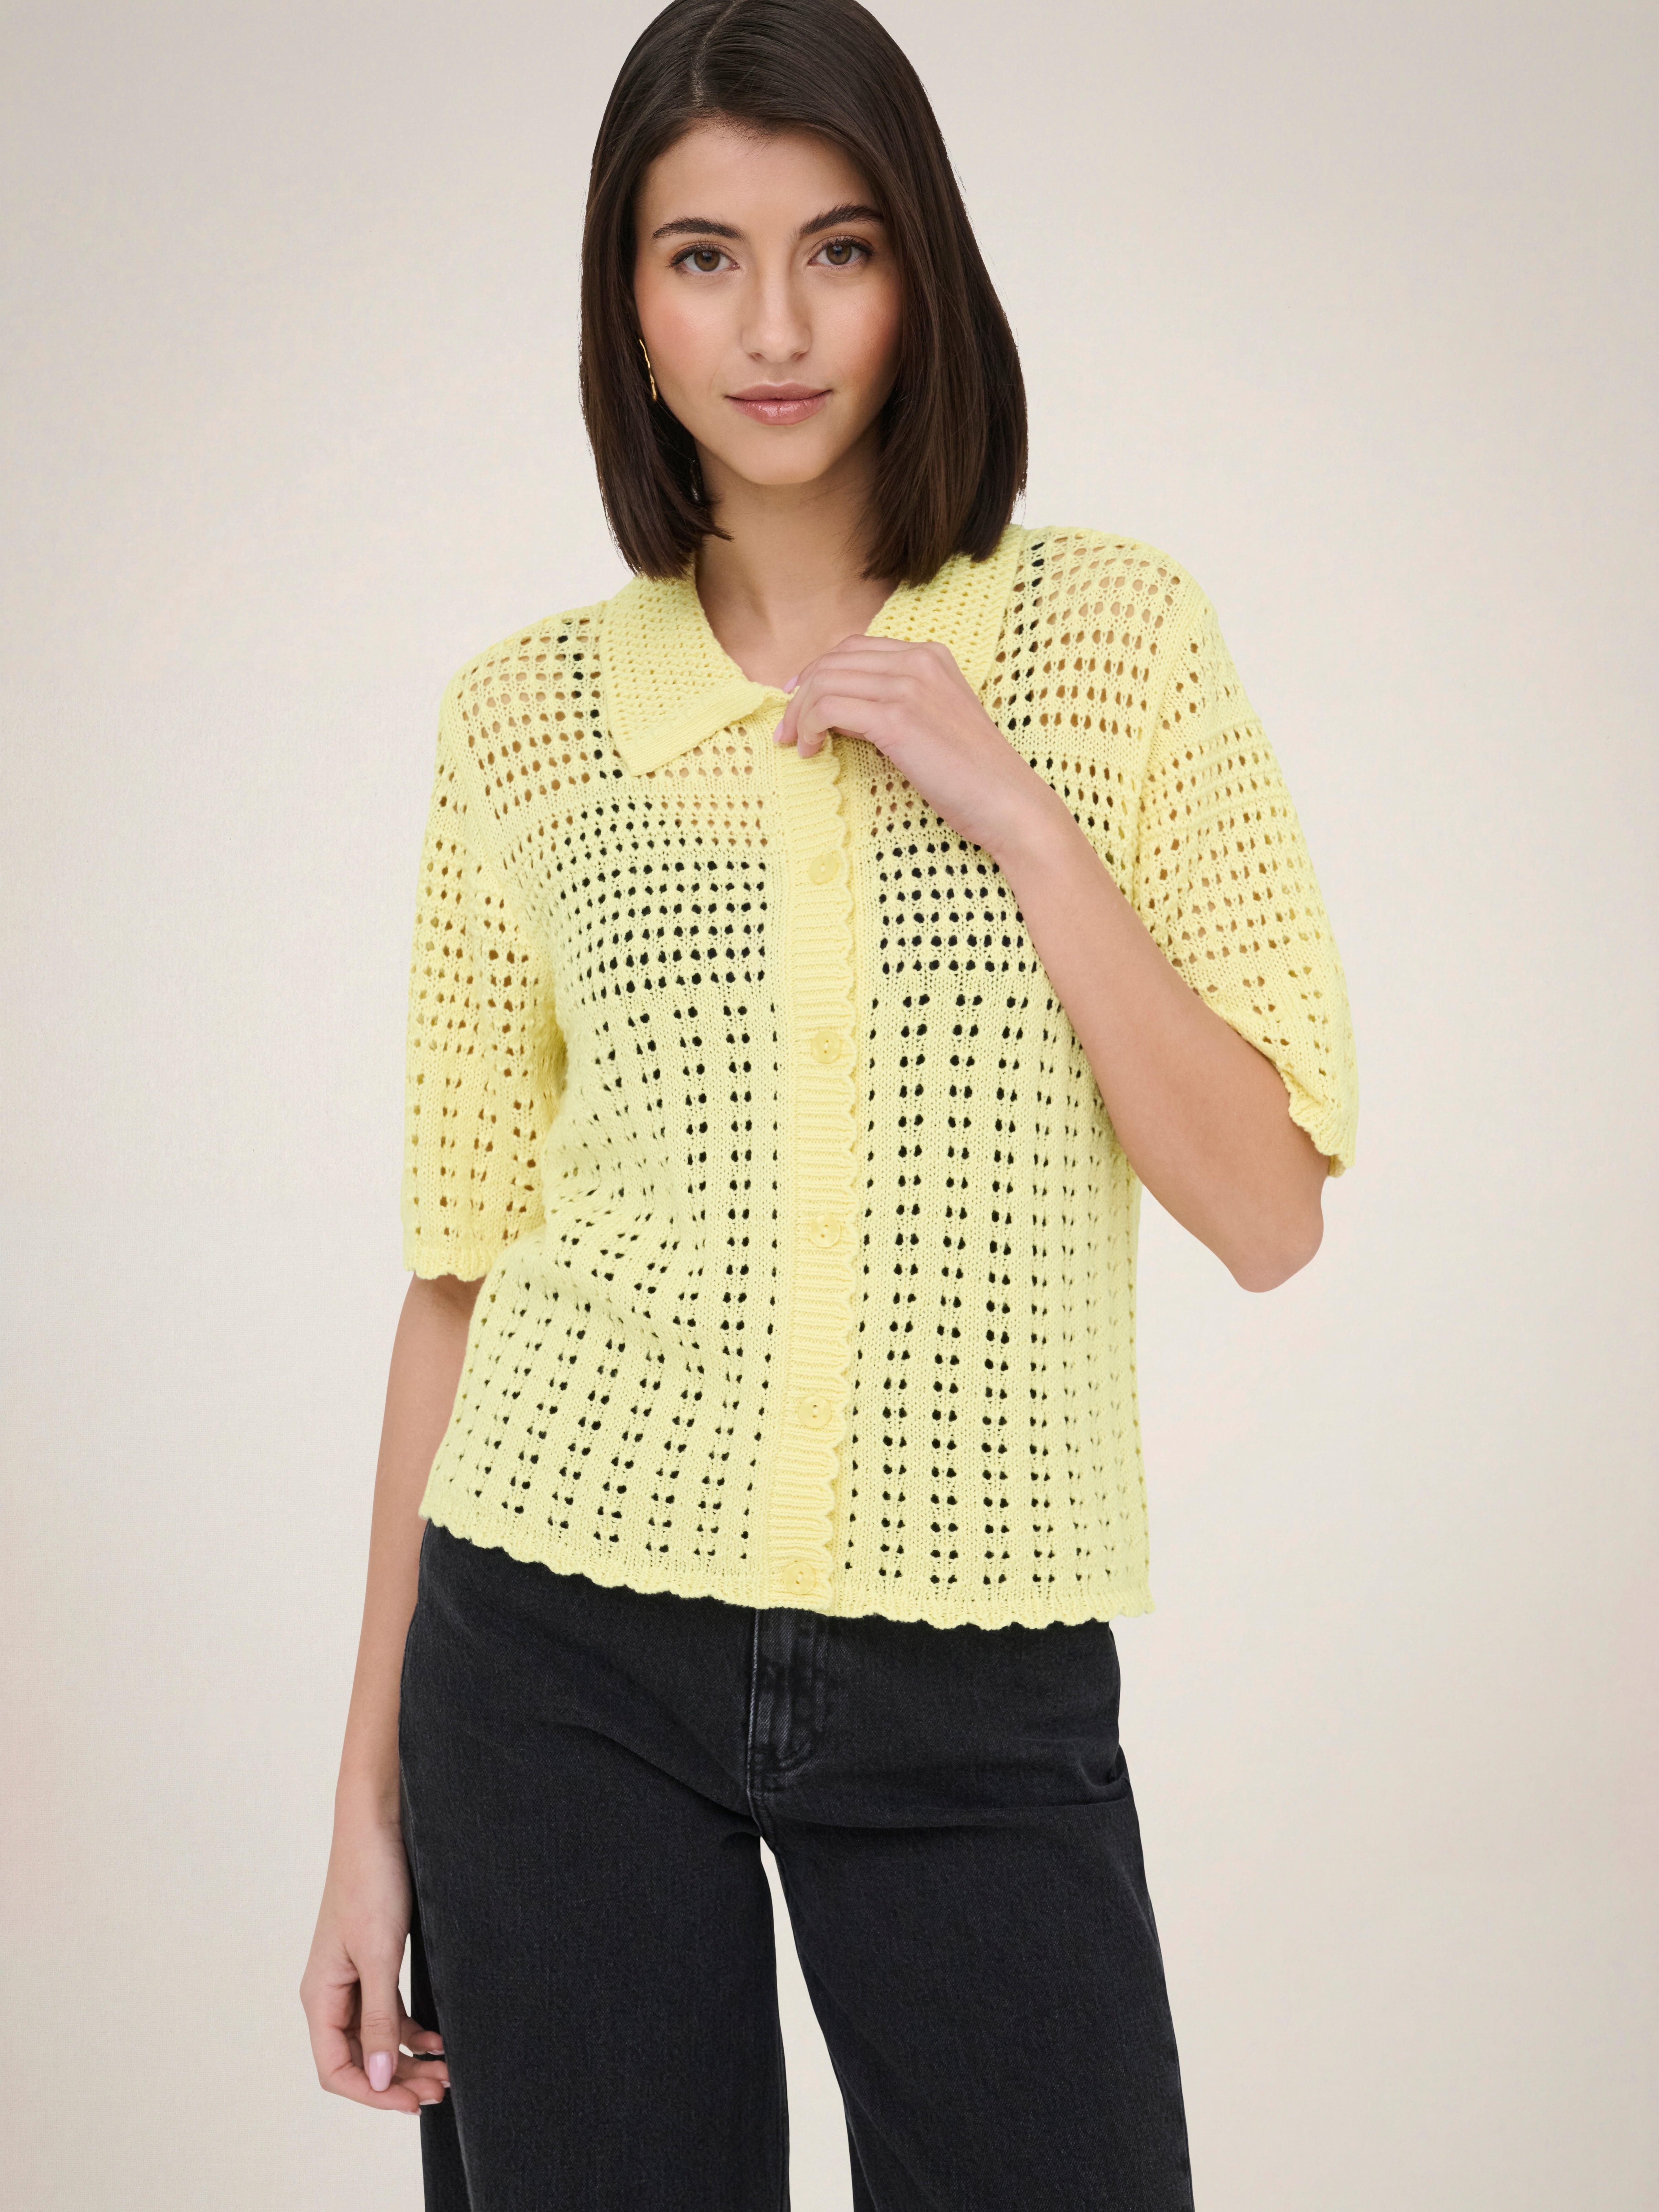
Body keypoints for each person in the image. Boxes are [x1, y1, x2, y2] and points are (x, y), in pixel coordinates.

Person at [299, 1, 1359, 2204]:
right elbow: (460, 1279)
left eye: (837, 250)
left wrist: (1019, 815)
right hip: (551, 1650)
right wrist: (362, 1818)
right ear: (627, 302)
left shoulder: (1114, 645)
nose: (772, 328)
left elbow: (1267, 1211)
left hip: (978, 1657)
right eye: (702, 257)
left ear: (920, 275)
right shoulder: (522, 722)